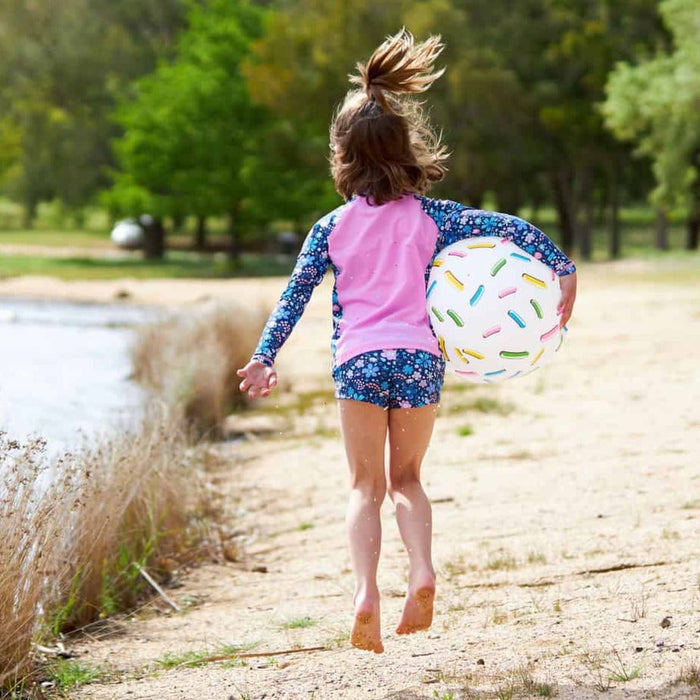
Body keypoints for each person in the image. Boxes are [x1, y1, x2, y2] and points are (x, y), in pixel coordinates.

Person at [237, 29, 577, 654]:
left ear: (342, 153)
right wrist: (563, 270)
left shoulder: (329, 228)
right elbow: (513, 229)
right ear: (406, 148)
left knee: (363, 487)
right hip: (420, 360)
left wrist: (264, 356)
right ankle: (421, 570)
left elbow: (294, 297)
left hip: (359, 363)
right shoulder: (435, 217)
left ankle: (365, 591)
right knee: (409, 480)